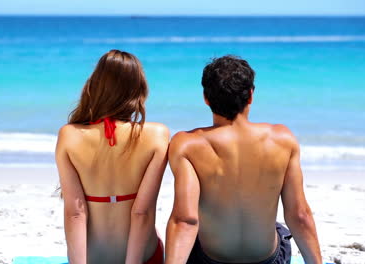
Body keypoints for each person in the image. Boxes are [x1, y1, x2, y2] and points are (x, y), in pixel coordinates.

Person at [165, 55, 321, 264]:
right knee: (279, 229)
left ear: (206, 98)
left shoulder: (187, 145)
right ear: (250, 96)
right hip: (267, 260)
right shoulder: (282, 140)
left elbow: (185, 220)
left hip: (210, 259)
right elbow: (299, 215)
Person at [56, 50, 169, 264]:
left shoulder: (69, 135)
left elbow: (75, 213)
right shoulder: (157, 135)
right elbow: (141, 213)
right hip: (142, 256)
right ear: (139, 89)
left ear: (95, 86)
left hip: (92, 257)